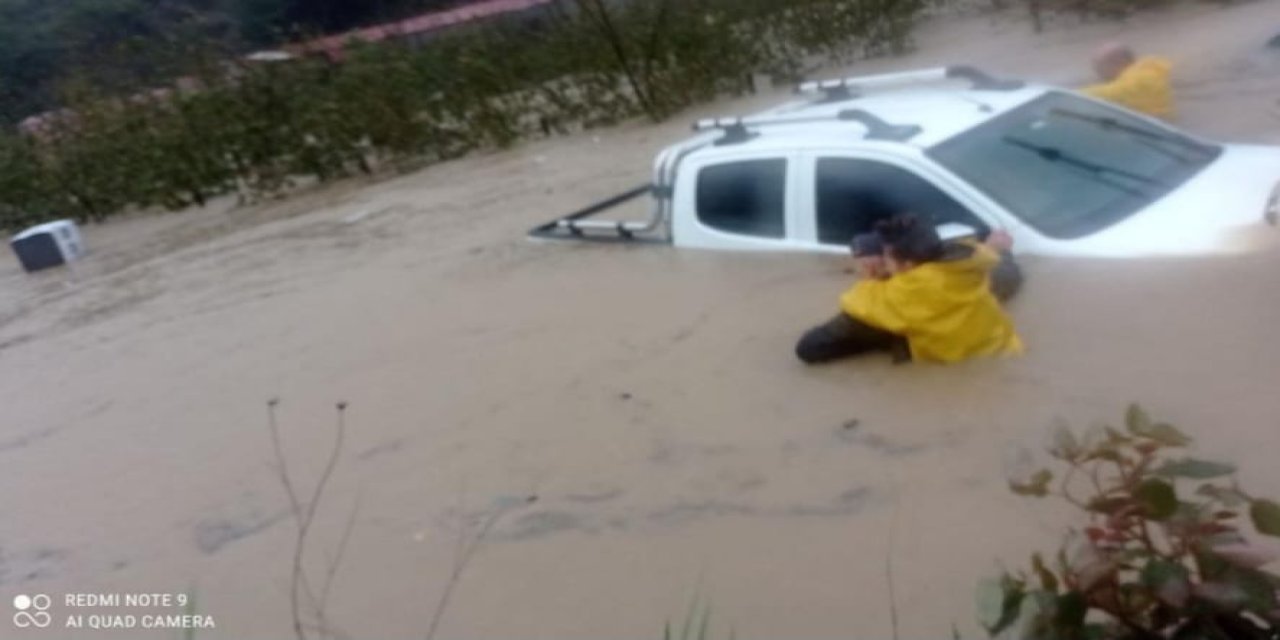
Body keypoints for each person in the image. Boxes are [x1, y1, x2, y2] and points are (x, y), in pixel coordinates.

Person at [795, 215, 1023, 365]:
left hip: (942, 380)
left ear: (906, 265)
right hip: (1004, 353)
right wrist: (1000, 250)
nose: (883, 261)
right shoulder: (971, 270)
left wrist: (873, 279)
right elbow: (1009, 276)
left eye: (886, 256)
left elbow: (810, 348)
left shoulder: (898, 298)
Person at [1081, 43, 1174, 119]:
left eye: (1100, 67)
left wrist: (1073, 95)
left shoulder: (1141, 79)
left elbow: (1113, 93)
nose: (1098, 73)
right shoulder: (1143, 72)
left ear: (1118, 62)